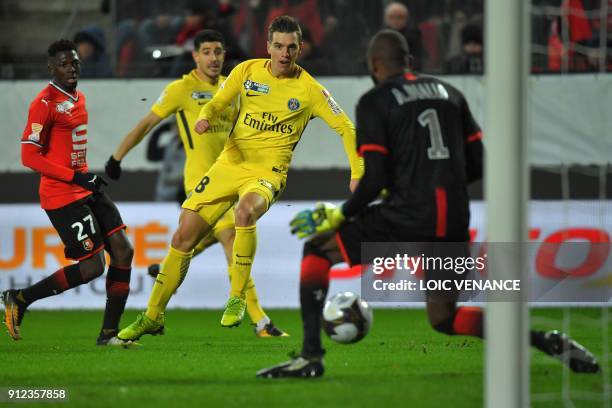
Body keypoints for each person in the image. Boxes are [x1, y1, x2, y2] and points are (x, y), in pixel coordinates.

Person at [256, 29, 601, 378]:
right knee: (444, 317)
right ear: (410, 62)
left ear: (375, 65)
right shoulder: (450, 93)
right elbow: (481, 164)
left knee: (317, 250)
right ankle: (546, 340)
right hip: (452, 217)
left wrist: (341, 212)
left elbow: (374, 178)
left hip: (407, 215)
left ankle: (310, 358)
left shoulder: (375, 101)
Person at [117, 15, 363, 341]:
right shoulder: (247, 72)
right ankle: (152, 316)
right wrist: (205, 117)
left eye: (291, 47)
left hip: (268, 173)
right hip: (227, 166)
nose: (284, 53)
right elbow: (217, 102)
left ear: (300, 48)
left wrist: (356, 172)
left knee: (245, 212)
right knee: (182, 239)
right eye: (278, 46)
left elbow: (346, 128)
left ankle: (236, 297)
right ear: (268, 46)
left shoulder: (310, 90)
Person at [107, 29, 291, 339]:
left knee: (194, 242)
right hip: (202, 183)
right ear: (195, 56)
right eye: (206, 52)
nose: (214, 58)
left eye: (218, 52)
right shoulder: (182, 89)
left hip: (237, 179)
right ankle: (261, 322)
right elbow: (146, 125)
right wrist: (117, 157)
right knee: (232, 239)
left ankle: (165, 275)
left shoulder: (231, 88)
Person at [1, 40, 134, 346]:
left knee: (124, 252)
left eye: (74, 62)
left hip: (85, 187)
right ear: (51, 68)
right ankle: (20, 298)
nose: (71, 68)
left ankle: (109, 335)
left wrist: (84, 177)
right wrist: (75, 176)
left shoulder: (78, 97)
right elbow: (29, 157)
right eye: (64, 64)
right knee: (92, 268)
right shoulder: (44, 104)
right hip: (62, 196)